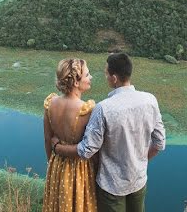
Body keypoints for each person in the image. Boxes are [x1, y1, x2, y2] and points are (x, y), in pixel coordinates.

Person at [52, 53, 165, 212]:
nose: (104, 76)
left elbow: (87, 150)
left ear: (114, 78)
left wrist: (58, 148)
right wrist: (139, 161)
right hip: (139, 180)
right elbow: (159, 143)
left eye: (106, 73)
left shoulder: (103, 108)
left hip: (111, 186)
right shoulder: (150, 100)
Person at [43, 58, 98, 212]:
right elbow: (92, 150)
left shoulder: (50, 103)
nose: (90, 77)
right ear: (75, 82)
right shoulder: (87, 109)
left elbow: (48, 139)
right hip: (80, 170)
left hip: (56, 165)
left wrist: (52, 164)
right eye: (87, 75)